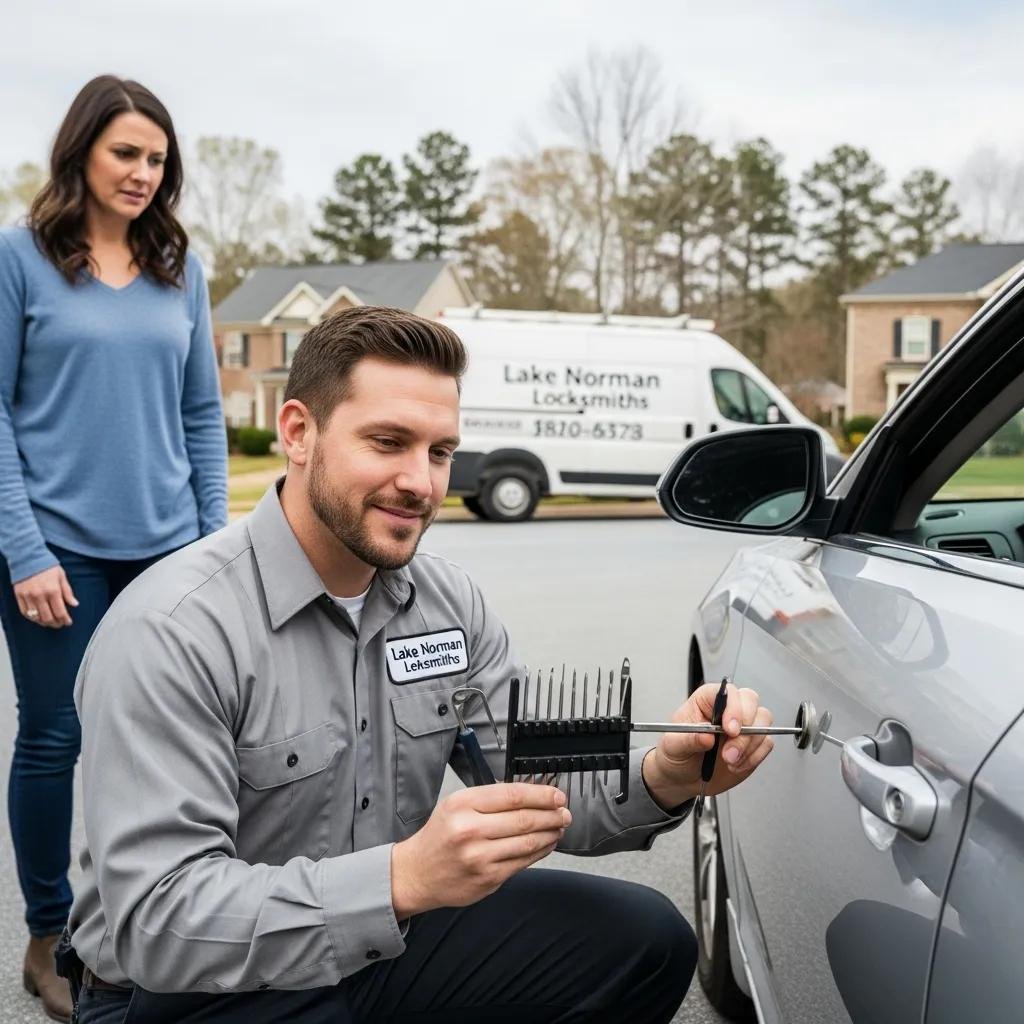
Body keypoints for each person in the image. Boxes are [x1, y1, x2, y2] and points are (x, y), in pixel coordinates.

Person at [64, 306, 773, 1024]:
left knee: (644, 941)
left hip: (380, 942)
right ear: (298, 433)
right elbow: (160, 923)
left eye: (439, 452)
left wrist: (668, 773)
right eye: (387, 442)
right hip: (187, 992)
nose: (420, 482)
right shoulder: (174, 629)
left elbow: (538, 786)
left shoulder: (446, 604)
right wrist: (401, 879)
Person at [0, 76, 227, 1021]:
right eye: (126, 153)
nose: (143, 173)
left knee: (179, 744)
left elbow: (204, 412)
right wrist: (23, 551)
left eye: (158, 159)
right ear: (82, 153)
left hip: (170, 550)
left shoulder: (181, 265)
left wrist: (218, 544)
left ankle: (156, 924)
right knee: (58, 741)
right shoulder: (20, 257)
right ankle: (50, 938)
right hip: (60, 555)